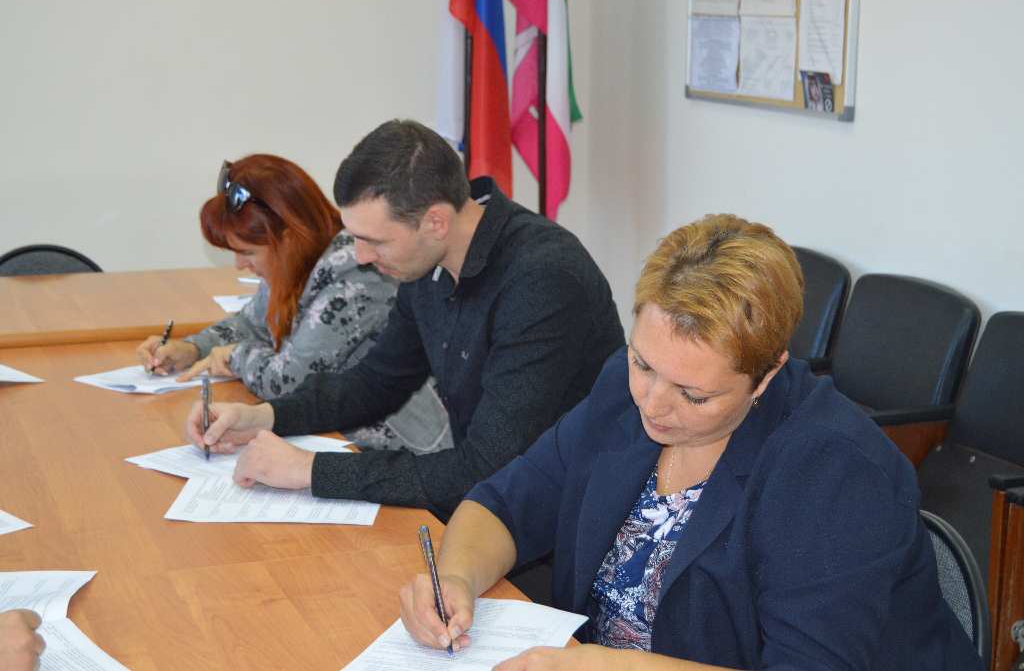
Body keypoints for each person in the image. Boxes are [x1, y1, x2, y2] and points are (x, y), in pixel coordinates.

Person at [398, 214, 983, 670]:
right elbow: (508, 502)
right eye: (643, 364)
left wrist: (619, 666)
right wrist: (456, 579)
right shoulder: (622, 388)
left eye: (694, 395)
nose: (652, 403)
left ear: (768, 376)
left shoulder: (836, 472)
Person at [186, 119, 624, 519]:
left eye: (374, 241)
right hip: (490, 511)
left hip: (561, 527)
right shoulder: (426, 263)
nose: (361, 257)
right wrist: (263, 417)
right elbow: (375, 383)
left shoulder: (542, 280)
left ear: (435, 222)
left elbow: (487, 467)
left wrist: (310, 469)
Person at [138, 154, 452, 453]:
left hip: (399, 450)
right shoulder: (297, 261)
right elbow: (251, 324)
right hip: (333, 431)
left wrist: (235, 356)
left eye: (247, 252)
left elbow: (289, 380)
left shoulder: (357, 272)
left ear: (289, 237)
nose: (238, 265)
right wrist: (193, 348)